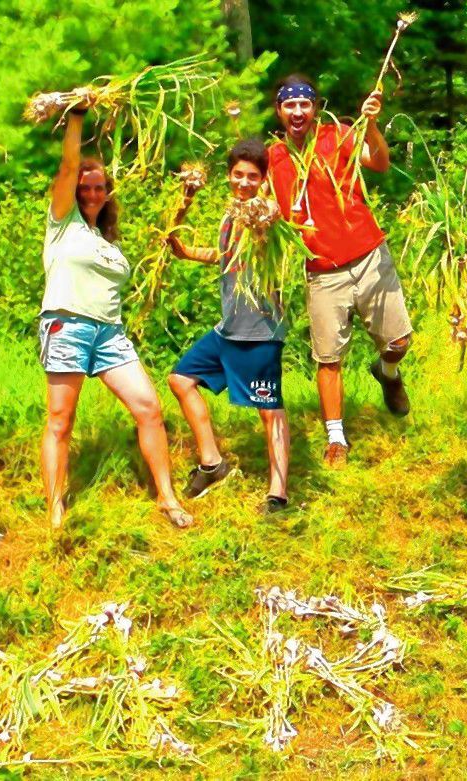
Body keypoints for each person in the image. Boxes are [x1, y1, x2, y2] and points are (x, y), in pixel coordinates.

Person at [39, 98, 193, 530]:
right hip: (66, 324)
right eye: (85, 186)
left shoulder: (107, 241)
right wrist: (76, 118)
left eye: (99, 187)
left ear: (107, 194)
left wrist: (184, 202)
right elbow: (69, 167)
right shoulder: (62, 222)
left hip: (109, 334)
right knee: (60, 420)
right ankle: (55, 509)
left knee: (149, 408)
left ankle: (166, 497)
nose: (91, 192)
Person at [266, 74, 414, 467]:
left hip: (369, 256)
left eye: (304, 104)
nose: (298, 111)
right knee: (328, 358)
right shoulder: (273, 158)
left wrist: (375, 125)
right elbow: (261, 208)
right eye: (289, 105)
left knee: (399, 341)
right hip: (321, 271)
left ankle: (388, 373)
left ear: (315, 107)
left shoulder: (340, 135)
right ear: (279, 111)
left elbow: (380, 163)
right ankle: (336, 439)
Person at [164, 138, 290, 513]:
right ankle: (212, 463)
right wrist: (188, 252)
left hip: (259, 331)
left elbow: (267, 234)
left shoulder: (266, 214)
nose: (244, 182)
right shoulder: (230, 214)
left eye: (253, 176)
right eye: (238, 175)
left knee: (270, 409)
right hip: (228, 328)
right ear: (229, 176)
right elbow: (227, 256)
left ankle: (278, 494)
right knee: (180, 380)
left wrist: (263, 218)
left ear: (263, 179)